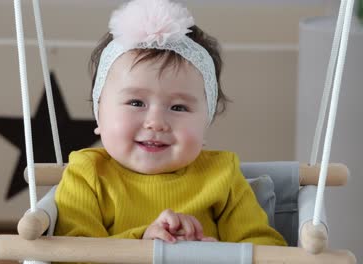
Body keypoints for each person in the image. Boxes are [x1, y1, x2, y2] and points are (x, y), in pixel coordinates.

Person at [54, 0, 286, 246]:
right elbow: (74, 253)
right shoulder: (87, 175)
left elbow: (265, 246)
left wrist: (219, 254)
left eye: (178, 107)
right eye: (135, 103)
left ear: (205, 122)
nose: (155, 122)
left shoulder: (222, 174)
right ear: (99, 114)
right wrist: (142, 241)